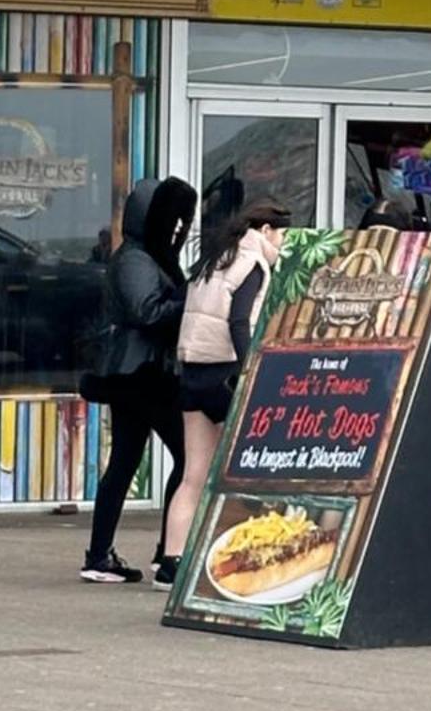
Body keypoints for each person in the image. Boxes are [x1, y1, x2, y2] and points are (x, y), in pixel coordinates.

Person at [159, 200, 291, 588]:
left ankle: (171, 561)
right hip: (227, 376)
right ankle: (246, 560)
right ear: (265, 231)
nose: (283, 244)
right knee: (245, 472)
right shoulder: (252, 262)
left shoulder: (213, 260)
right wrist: (252, 368)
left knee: (193, 475)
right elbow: (239, 319)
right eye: (281, 235)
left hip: (193, 375)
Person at [81, 176, 197, 585]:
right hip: (140, 374)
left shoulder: (148, 256)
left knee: (126, 461)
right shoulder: (135, 259)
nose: (180, 229)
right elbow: (147, 312)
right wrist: (191, 298)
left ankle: (100, 556)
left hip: (139, 372)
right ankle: (169, 555)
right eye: (174, 219)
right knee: (187, 457)